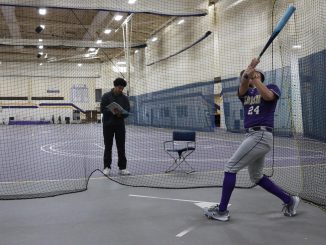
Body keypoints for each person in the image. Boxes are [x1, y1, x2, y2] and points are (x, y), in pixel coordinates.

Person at [204, 58, 300, 221]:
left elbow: (268, 97)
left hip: (261, 135)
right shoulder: (246, 93)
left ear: (260, 76)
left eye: (253, 76)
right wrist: (246, 74)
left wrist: (254, 77)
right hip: (253, 136)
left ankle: (222, 211)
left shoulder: (271, 87)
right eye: (248, 77)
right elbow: (241, 89)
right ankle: (290, 200)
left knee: (230, 167)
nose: (248, 79)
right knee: (256, 176)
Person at [100, 77, 131, 176]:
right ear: (115, 86)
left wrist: (121, 114)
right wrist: (112, 111)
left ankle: (122, 168)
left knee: (121, 147)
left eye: (122, 88)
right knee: (108, 147)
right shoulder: (106, 96)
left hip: (120, 126)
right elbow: (102, 110)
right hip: (108, 125)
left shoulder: (125, 98)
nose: (121, 90)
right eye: (119, 88)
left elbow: (127, 112)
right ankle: (107, 167)